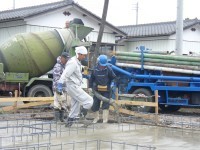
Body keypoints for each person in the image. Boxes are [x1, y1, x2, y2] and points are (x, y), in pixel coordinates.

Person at [57, 46, 93, 127]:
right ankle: (82, 117)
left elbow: (75, 74)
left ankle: (69, 123)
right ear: (79, 54)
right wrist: (60, 84)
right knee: (89, 101)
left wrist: (84, 76)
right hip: (72, 86)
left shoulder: (77, 61)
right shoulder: (73, 62)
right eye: (84, 55)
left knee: (75, 106)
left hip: (74, 86)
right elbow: (65, 74)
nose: (85, 57)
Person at [89, 54, 116, 123]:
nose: (102, 67)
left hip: (106, 90)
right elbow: (91, 79)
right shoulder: (95, 70)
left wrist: (112, 84)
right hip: (97, 90)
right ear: (98, 63)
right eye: (101, 65)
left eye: (103, 66)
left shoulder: (108, 69)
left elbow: (113, 78)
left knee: (106, 105)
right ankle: (96, 118)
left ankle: (105, 120)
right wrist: (90, 87)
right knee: (95, 104)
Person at [52, 52, 71, 122]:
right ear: (62, 58)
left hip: (64, 88)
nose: (67, 60)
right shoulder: (58, 66)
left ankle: (61, 119)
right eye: (66, 59)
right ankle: (57, 120)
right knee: (57, 104)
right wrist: (58, 89)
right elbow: (56, 79)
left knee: (63, 103)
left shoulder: (64, 66)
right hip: (58, 88)